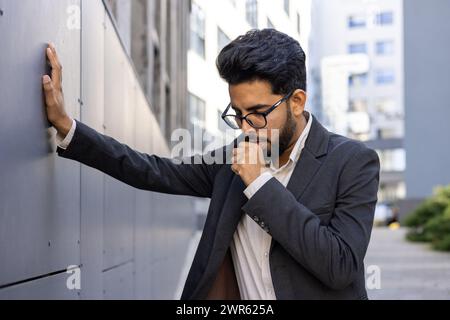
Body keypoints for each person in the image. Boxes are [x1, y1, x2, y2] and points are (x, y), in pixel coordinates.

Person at [42, 29, 380, 300]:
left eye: (259, 114)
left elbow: (340, 266)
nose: (247, 128)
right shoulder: (232, 159)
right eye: (238, 114)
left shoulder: (352, 162)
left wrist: (260, 184)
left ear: (296, 101)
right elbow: (151, 169)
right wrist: (67, 126)